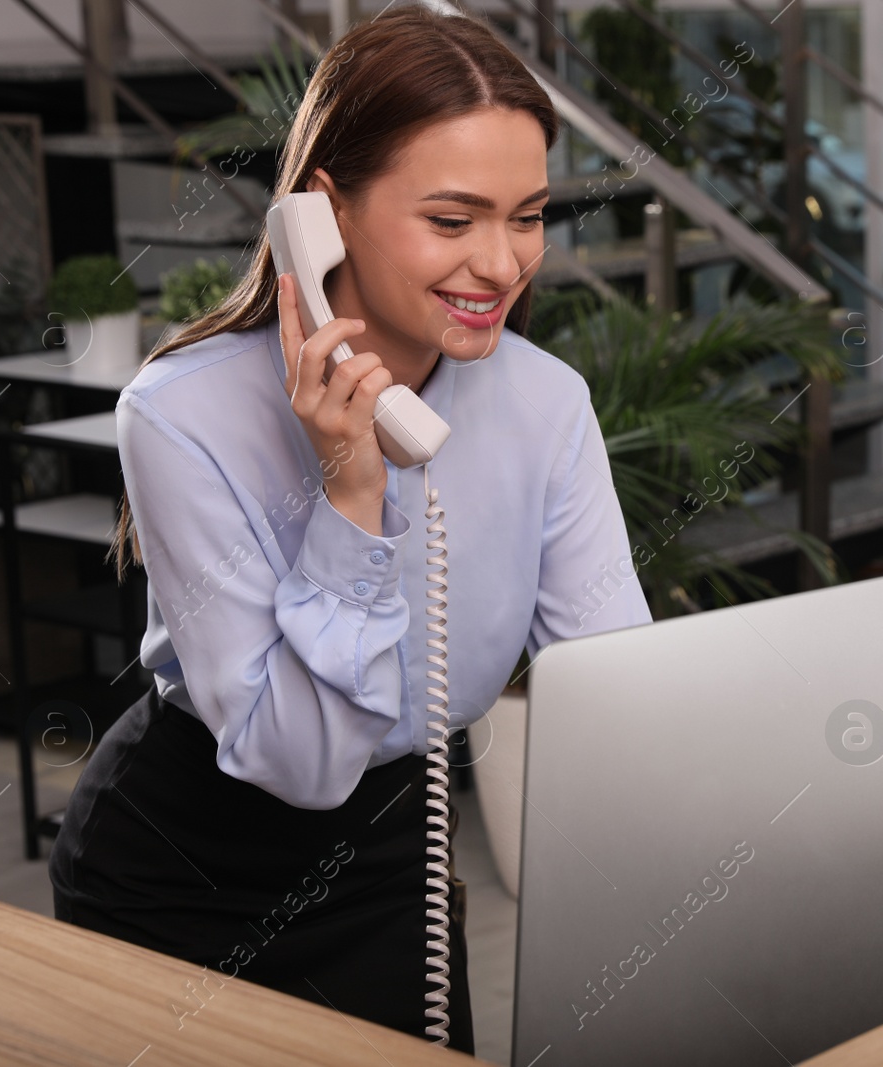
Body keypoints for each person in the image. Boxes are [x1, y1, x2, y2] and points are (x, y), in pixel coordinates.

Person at [48, 5, 651, 1053]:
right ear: (324, 210)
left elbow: (623, 683)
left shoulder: (546, 404)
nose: (504, 264)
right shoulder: (180, 415)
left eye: (529, 215)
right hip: (178, 873)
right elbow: (304, 761)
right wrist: (349, 492)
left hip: (394, 862)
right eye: (454, 220)